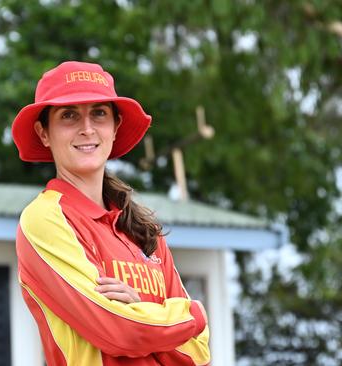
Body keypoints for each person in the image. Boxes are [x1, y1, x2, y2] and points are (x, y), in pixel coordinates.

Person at [12, 61, 210, 366]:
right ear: (44, 133)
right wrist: (193, 315)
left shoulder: (146, 231)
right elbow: (117, 330)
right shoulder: (44, 219)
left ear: (115, 127)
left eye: (99, 114)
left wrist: (139, 308)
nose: (87, 128)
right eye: (69, 116)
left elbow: (199, 354)